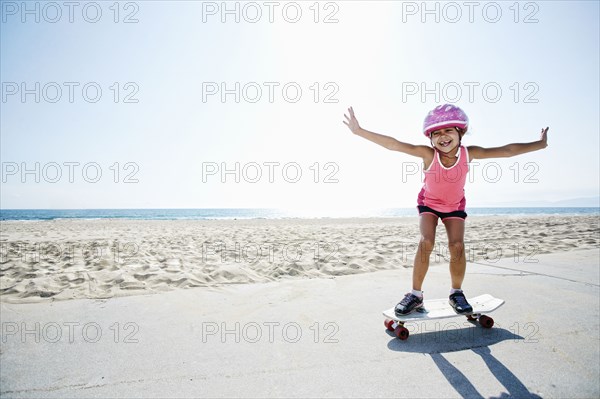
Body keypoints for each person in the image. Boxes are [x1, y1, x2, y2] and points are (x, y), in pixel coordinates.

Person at [343, 104, 548, 316]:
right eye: (437, 133)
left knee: (457, 245)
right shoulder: (428, 154)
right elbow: (394, 144)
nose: (443, 137)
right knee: (426, 242)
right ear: (430, 138)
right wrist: (359, 131)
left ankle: (456, 293)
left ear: (460, 132)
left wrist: (540, 144)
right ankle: (415, 295)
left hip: (454, 206)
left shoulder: (469, 153)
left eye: (448, 130)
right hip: (429, 204)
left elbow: (507, 151)